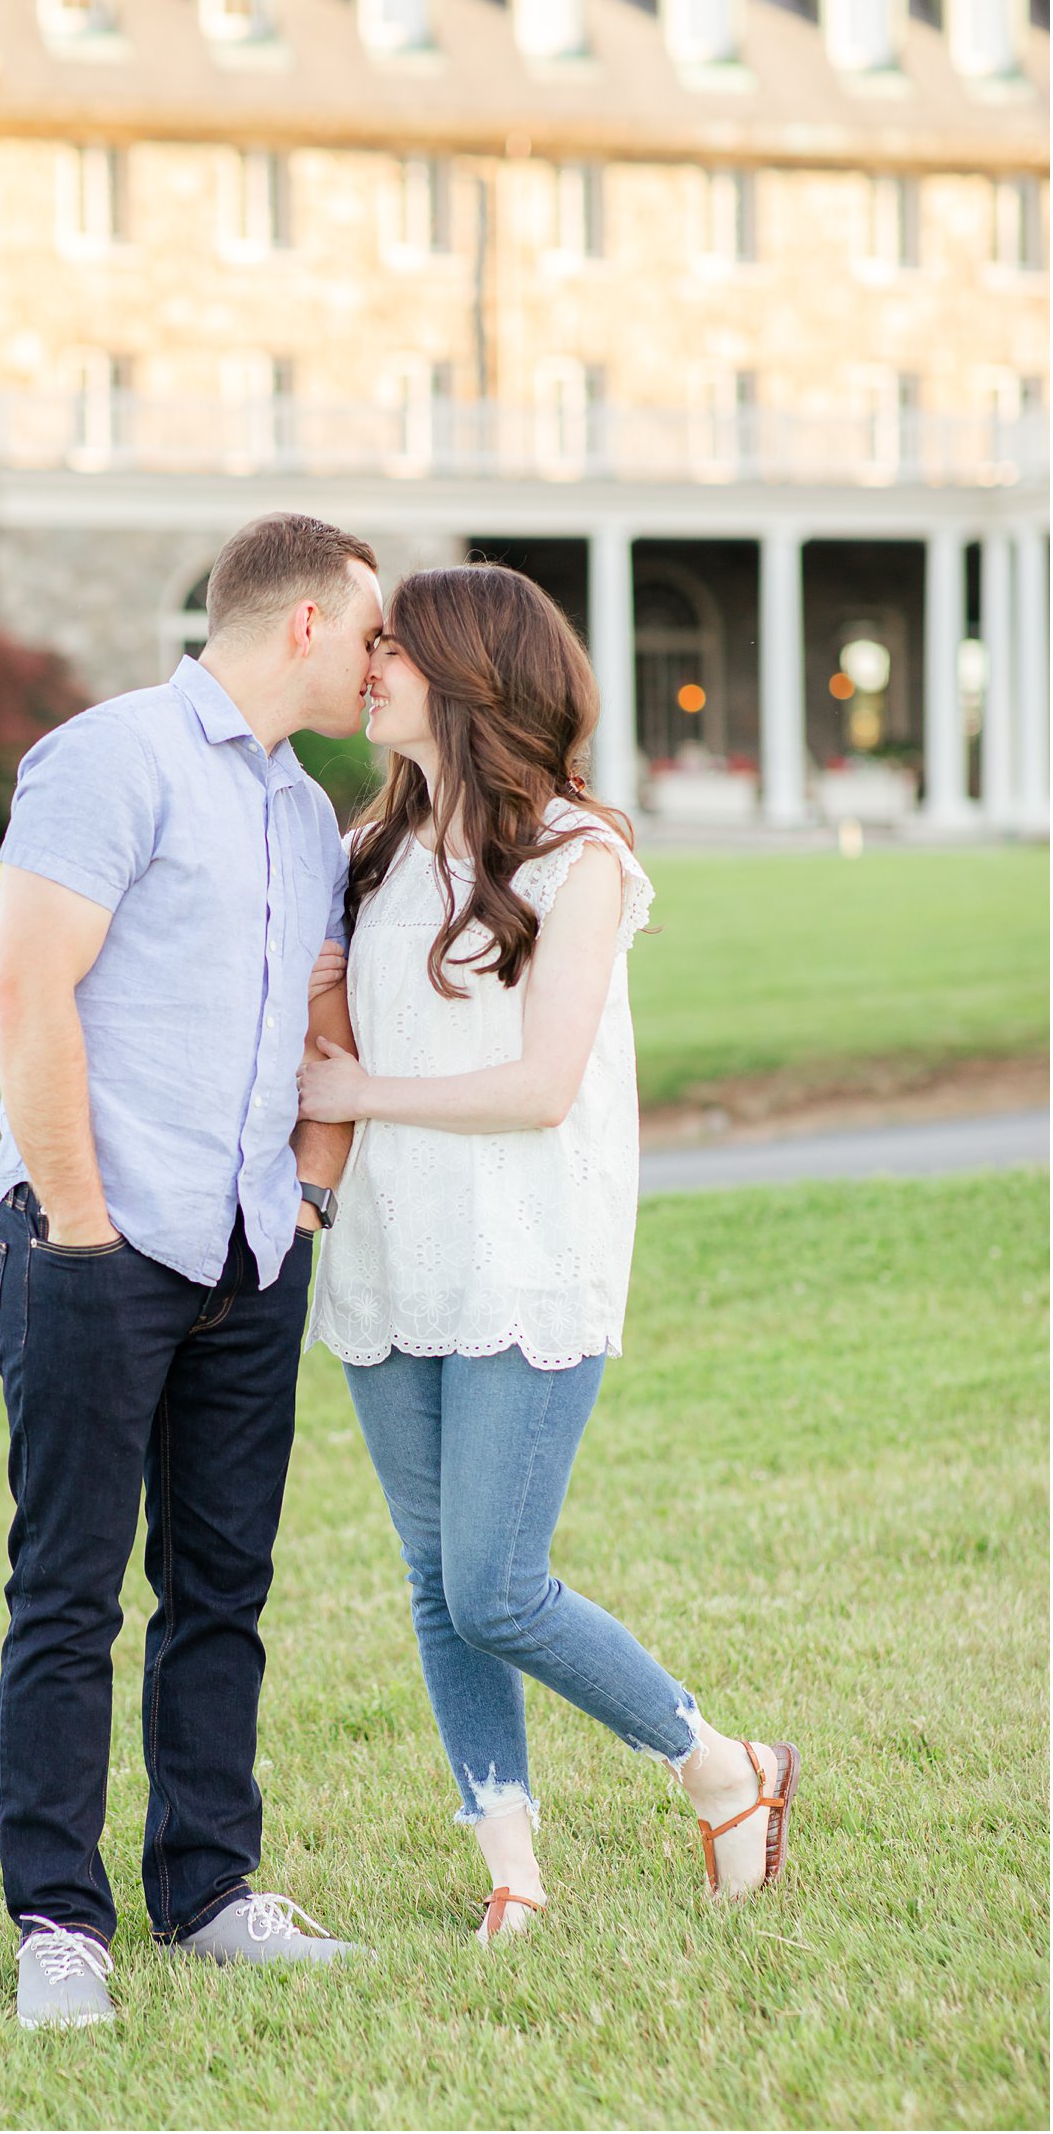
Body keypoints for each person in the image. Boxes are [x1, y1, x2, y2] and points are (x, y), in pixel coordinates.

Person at [298, 563, 800, 1944]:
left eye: (395, 646)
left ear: (471, 678)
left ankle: (725, 1766)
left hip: (526, 1253)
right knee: (430, 1569)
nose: (369, 663)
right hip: (393, 1258)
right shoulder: (370, 853)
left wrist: (355, 1096)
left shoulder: (581, 856)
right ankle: (511, 1862)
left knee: (494, 1581)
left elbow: (539, 1083)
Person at [0, 512, 385, 2026]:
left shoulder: (299, 811)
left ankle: (208, 1887)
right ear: (300, 625)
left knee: (222, 1583)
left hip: (250, 1245)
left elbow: (317, 1011)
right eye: (368, 631)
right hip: (98, 1236)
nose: (378, 658)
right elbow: (27, 988)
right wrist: (81, 1224)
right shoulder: (109, 756)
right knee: (70, 1589)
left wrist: (307, 1203)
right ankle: (60, 1925)